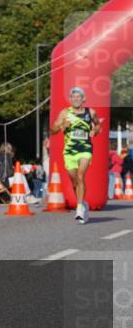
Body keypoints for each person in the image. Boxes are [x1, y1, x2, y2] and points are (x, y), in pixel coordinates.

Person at [50, 86, 102, 224]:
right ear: (70, 99)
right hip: (69, 151)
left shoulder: (90, 112)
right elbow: (52, 130)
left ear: (83, 99)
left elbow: (97, 126)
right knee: (74, 182)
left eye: (78, 97)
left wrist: (94, 131)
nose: (76, 99)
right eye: (73, 97)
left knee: (80, 176)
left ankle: (79, 208)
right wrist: (62, 126)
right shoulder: (65, 113)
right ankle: (83, 203)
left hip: (85, 149)